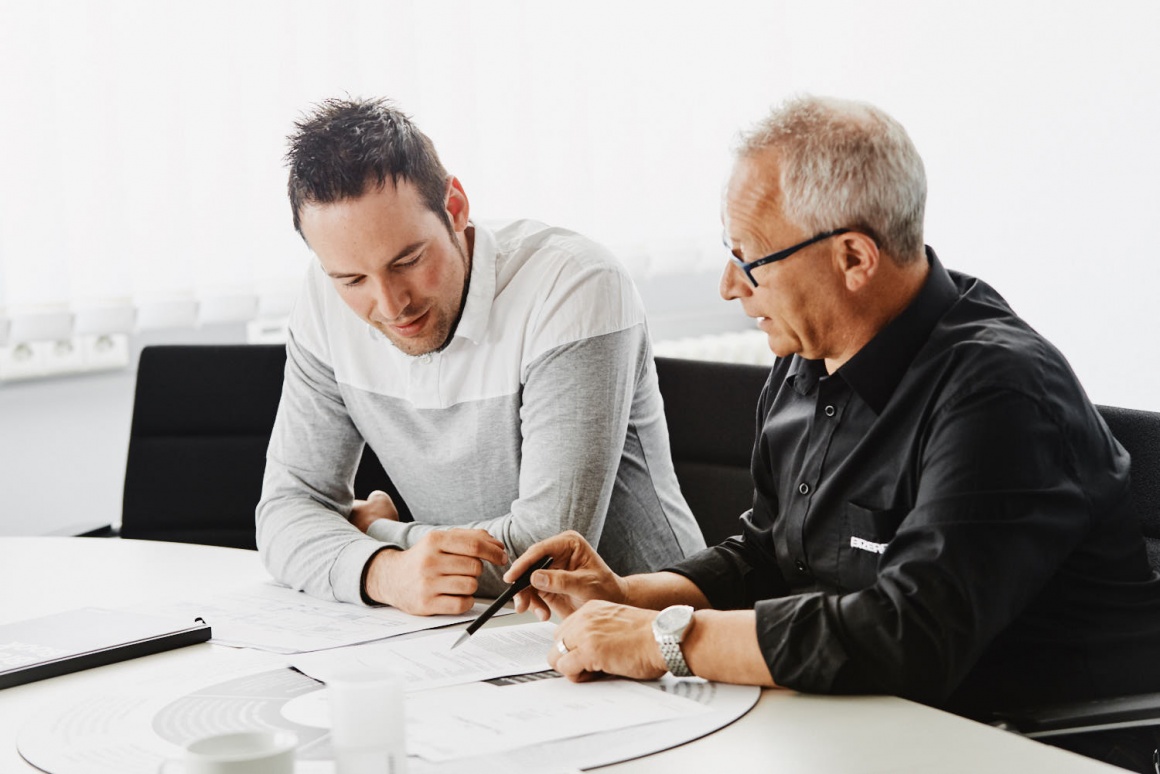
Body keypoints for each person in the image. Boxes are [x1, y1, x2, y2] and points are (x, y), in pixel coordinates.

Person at [506, 95, 1160, 772]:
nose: (731, 286)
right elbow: (771, 553)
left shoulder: (1001, 392)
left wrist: (663, 639)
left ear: (853, 257)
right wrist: (634, 597)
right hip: (862, 725)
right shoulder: (806, 360)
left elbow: (910, 635)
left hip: (1021, 743)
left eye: (750, 258)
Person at [256, 97, 704, 617]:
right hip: (471, 635)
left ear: (456, 207)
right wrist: (383, 570)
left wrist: (373, 531)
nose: (389, 303)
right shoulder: (323, 300)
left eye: (408, 260)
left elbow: (544, 551)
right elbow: (286, 511)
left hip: (647, 631)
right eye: (352, 279)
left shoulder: (573, 284)